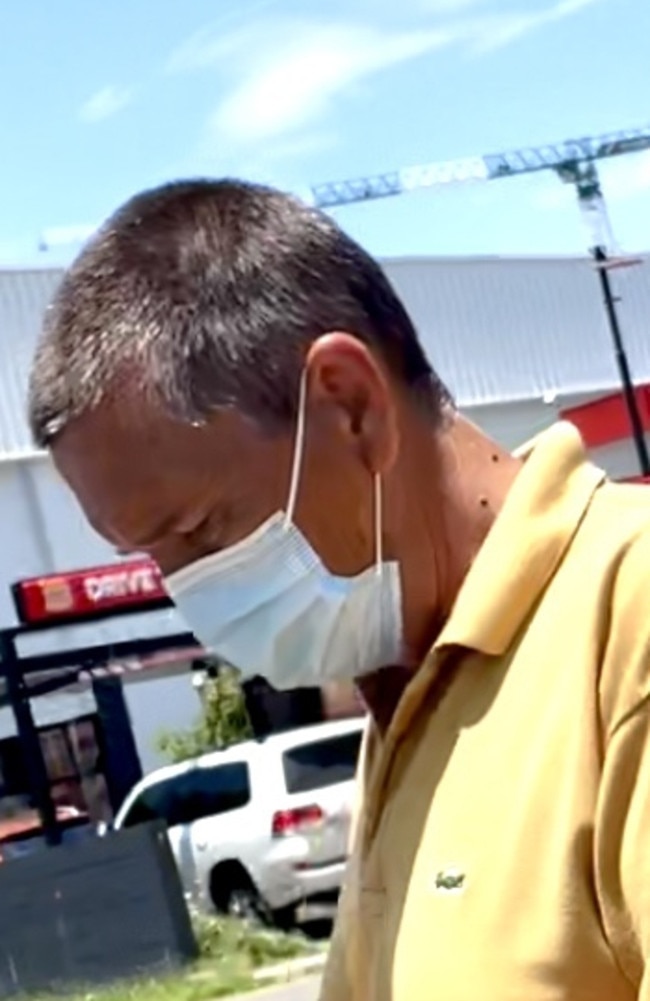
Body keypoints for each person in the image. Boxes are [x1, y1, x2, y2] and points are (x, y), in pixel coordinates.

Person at [28, 179, 650, 1001]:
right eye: (153, 558)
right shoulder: (410, 683)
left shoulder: (623, 620)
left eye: (203, 529)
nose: (193, 596)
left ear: (351, 406)